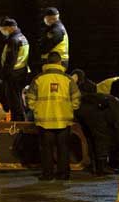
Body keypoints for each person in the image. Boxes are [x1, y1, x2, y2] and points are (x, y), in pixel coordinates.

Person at [26, 52, 81, 180]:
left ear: (47, 63)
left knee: (46, 150)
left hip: (44, 121)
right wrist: (70, 110)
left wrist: (37, 110)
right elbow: (76, 99)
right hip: (63, 121)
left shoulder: (38, 79)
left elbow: (30, 99)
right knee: (63, 149)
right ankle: (63, 174)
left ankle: (47, 174)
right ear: (59, 62)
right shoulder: (68, 79)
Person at [0, 18, 30, 121]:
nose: (3, 32)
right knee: (19, 98)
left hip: (13, 74)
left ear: (9, 28)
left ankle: (17, 122)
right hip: (22, 71)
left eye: (3, 29)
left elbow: (10, 61)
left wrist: (3, 76)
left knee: (14, 100)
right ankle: (22, 119)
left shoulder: (13, 40)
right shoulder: (23, 37)